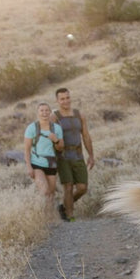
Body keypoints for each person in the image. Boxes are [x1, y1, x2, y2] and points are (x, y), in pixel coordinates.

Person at [53, 87, 94, 222]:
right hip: (63, 156)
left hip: (78, 155)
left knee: (82, 188)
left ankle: (64, 206)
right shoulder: (55, 117)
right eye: (62, 99)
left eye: (67, 98)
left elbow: (86, 136)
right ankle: (70, 217)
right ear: (57, 101)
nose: (66, 101)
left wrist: (91, 155)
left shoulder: (79, 114)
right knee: (68, 186)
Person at [23, 101, 64, 212]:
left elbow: (61, 147)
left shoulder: (56, 128)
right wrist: (29, 166)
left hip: (51, 164)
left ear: (50, 112)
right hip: (36, 163)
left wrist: (55, 140)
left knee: (50, 194)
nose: (44, 113)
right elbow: (27, 149)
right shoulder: (31, 128)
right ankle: (38, 213)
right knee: (45, 191)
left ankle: (49, 218)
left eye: (47, 110)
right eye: (42, 110)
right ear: (38, 113)